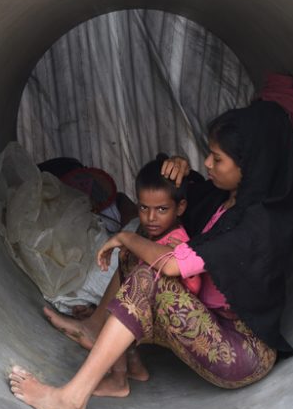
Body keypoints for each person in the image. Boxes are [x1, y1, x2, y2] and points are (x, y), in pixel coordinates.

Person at [10, 100, 293, 409]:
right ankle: (113, 359)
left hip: (239, 353)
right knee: (144, 240)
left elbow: (171, 266)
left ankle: (71, 400)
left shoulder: (256, 224)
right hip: (210, 321)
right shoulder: (225, 198)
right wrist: (179, 168)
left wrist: (122, 237)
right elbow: (182, 201)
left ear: (247, 167)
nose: (207, 162)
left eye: (217, 158)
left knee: (148, 271)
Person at [42, 155, 200, 395]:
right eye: (144, 208)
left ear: (181, 208)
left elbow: (191, 286)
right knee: (129, 275)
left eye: (162, 209)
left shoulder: (177, 242)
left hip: (176, 319)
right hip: (155, 314)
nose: (150, 217)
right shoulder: (155, 234)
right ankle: (133, 366)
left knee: (128, 295)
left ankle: (118, 379)